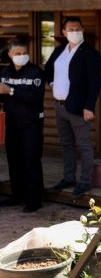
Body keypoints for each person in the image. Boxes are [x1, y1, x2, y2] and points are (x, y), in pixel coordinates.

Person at [45, 16, 101, 196]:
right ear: (64, 32)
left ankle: (85, 181)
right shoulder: (59, 51)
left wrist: (89, 107)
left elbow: (95, 83)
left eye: (77, 28)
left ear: (82, 30)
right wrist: (53, 85)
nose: (74, 32)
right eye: (71, 29)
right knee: (66, 144)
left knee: (84, 145)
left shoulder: (90, 53)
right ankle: (69, 177)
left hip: (79, 108)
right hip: (60, 106)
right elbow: (48, 70)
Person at [0, 39, 46, 213]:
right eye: (17, 54)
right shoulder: (5, 72)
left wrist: (10, 91)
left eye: (24, 53)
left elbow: (35, 97)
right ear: (10, 55)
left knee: (31, 161)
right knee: (14, 160)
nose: (21, 56)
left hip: (31, 124)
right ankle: (17, 195)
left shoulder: (36, 73)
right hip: (11, 123)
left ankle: (34, 200)